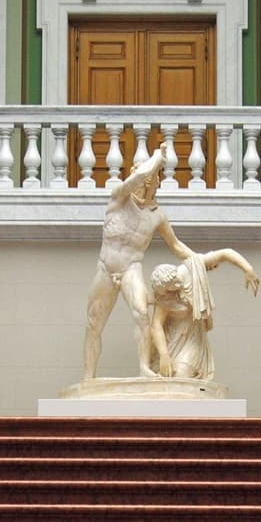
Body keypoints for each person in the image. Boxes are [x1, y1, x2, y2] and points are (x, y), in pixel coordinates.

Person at [83, 154, 197, 380]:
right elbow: (140, 175)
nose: (143, 182)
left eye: (148, 179)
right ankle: (88, 376)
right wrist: (158, 157)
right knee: (94, 324)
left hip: (131, 268)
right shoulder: (118, 198)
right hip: (106, 267)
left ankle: (144, 368)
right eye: (140, 177)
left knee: (142, 313)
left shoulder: (156, 216)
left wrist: (197, 261)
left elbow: (175, 245)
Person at [147, 249, 259, 383]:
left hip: (192, 338)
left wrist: (248, 269)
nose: (177, 286)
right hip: (171, 340)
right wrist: (164, 355)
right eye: (171, 288)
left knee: (181, 377)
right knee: (165, 378)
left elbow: (225, 253)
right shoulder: (164, 295)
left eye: (176, 282)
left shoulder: (192, 268)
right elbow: (156, 325)